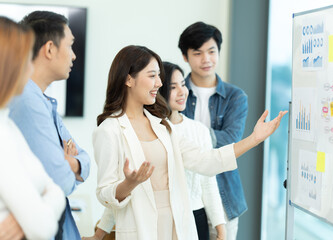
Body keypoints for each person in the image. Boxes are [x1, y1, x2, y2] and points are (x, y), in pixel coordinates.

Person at [91, 45, 286, 240]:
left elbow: (208, 160)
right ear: (128, 79)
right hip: (140, 228)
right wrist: (128, 184)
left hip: (178, 227)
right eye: (152, 76)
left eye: (159, 76)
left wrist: (254, 139)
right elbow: (104, 194)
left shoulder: (162, 126)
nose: (159, 83)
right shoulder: (109, 130)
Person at [8, 11, 90, 240]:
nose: (74, 56)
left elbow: (84, 160)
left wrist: (70, 162)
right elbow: (61, 180)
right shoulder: (27, 101)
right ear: (50, 49)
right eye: (70, 46)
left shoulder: (41, 101)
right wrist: (70, 167)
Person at [178, 21, 248, 239]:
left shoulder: (236, 97)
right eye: (197, 53)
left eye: (211, 51)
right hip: (186, 195)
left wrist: (190, 137)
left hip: (224, 195)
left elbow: (230, 140)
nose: (206, 59)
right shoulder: (173, 92)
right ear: (185, 56)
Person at [0, 16, 65, 240]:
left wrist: (25, 218)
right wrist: (43, 206)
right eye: (27, 58)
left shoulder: (7, 125)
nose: (30, 67)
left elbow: (56, 189)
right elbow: (43, 229)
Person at [161, 62, 226, 240]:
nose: (182, 92)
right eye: (173, 87)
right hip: (163, 219)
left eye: (183, 84)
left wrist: (220, 227)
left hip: (196, 217)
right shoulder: (150, 130)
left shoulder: (199, 130)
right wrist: (101, 231)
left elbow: (208, 183)